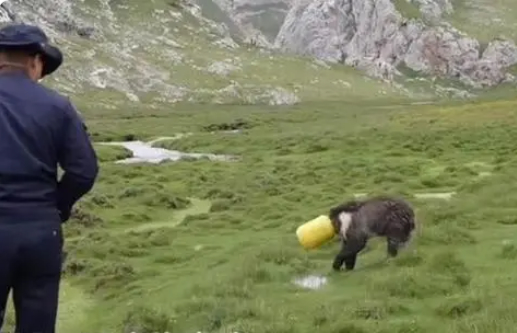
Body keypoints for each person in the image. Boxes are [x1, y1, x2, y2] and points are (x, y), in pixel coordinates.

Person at [0, 23, 99, 332]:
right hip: (41, 233)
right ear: (36, 61)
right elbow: (84, 170)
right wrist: (56, 206)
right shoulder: (58, 106)